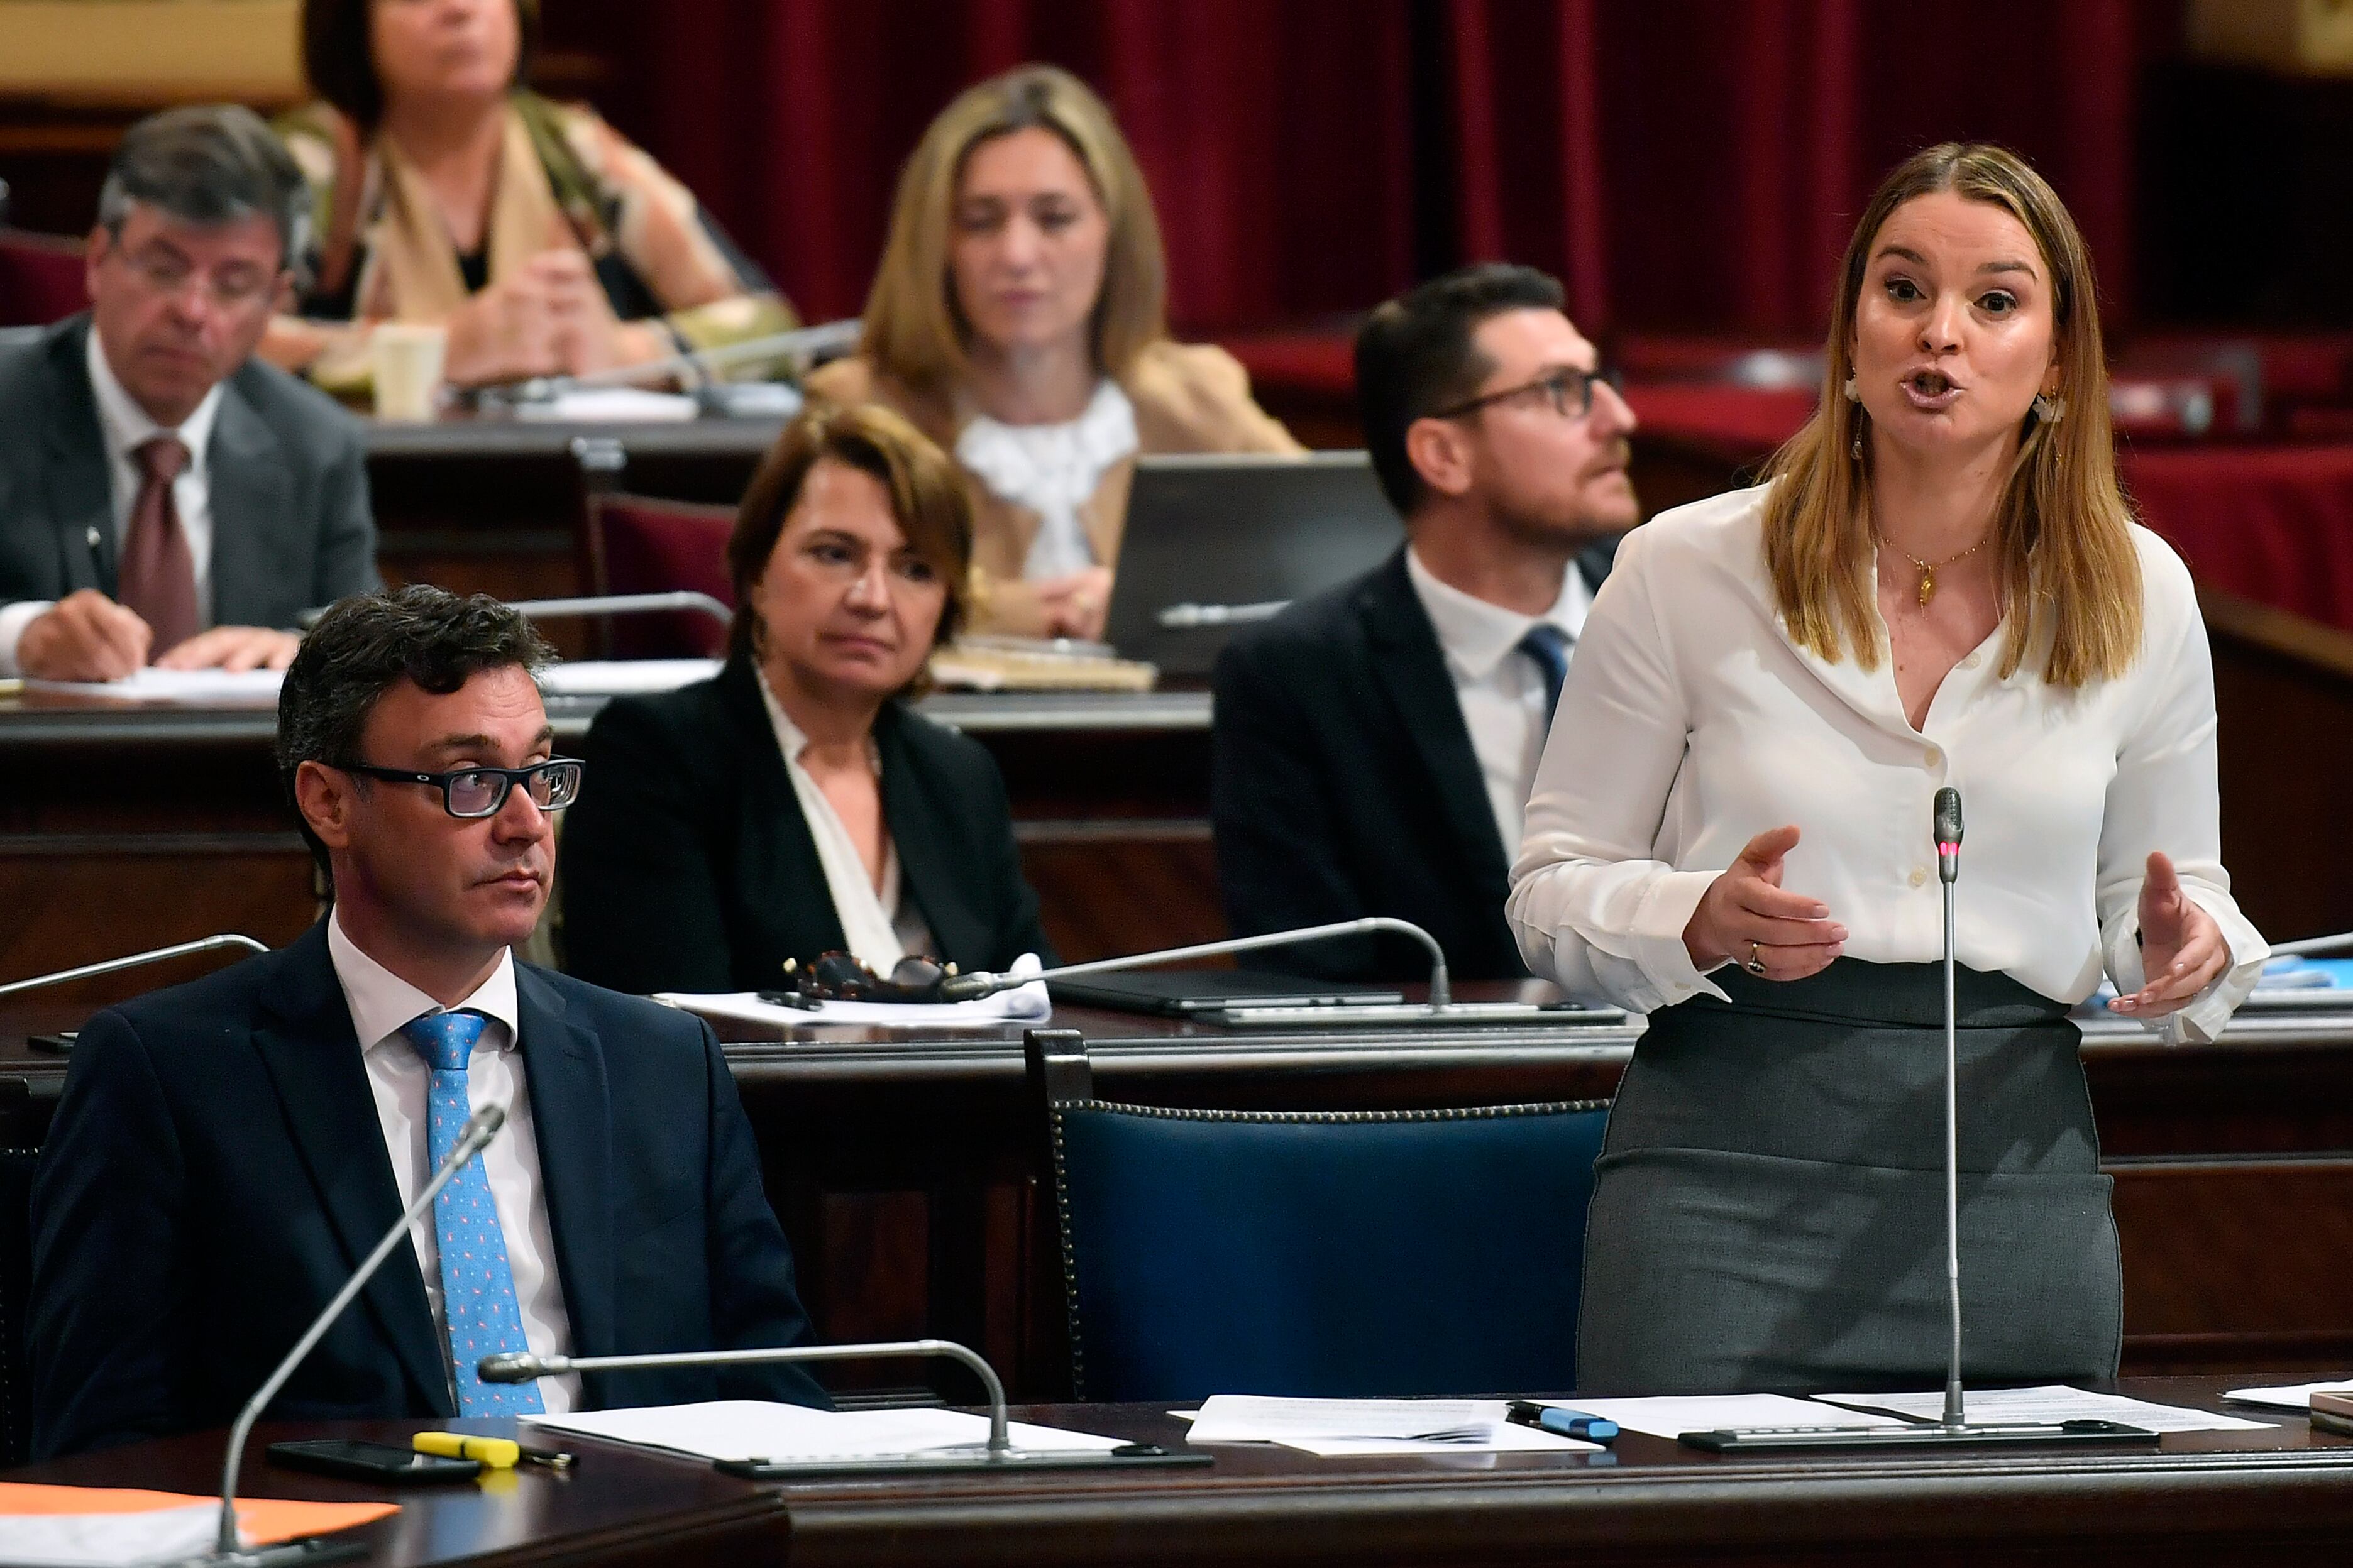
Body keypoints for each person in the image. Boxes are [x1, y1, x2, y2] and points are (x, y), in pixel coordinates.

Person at [1506, 143, 2270, 1395]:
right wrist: (1688, 915)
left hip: (2010, 1176)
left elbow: (2176, 897)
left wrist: (2183, 945)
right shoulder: (1682, 568)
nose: (1940, 334)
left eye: (1993, 301)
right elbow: (1546, 888)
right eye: (1902, 289)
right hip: (1721, 1170)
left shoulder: (2139, 589)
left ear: (2058, 363)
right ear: (1847, 333)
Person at [27, 586, 824, 1458]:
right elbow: (102, 1445)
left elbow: (776, 1402)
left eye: (543, 773)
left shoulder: (663, 1064)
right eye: (471, 780)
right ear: (329, 801)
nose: (526, 825)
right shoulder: (172, 1074)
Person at [1211, 265, 1635, 982]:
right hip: (1458, 1087)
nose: (1618, 418)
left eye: (1601, 382)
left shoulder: (1679, 607)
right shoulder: (1299, 676)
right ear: (1443, 454)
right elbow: (1312, 980)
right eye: (1561, 391)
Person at [559, 401, 1055, 995]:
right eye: (835, 554)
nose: (873, 598)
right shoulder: (658, 755)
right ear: (758, 574)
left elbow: (1036, 1000)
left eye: (914, 569)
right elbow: (666, 1026)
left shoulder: (958, 776)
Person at [805, 64, 1300, 641]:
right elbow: (809, 602)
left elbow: (1331, 564)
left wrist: (1149, 601)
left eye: (1055, 218)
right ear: (938, 246)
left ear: (1114, 237)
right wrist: (1013, 614)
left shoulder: (1196, 399)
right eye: (981, 222)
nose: (1017, 253)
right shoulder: (862, 413)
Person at [0, 106, 379, 683]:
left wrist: (300, 656)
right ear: (99, 261)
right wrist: (22, 639)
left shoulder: (317, 446)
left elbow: (368, 648)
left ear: (275, 301)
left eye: (233, 284)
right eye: (164, 269)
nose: (193, 312)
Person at [267, 0, 793, 395]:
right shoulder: (314, 164)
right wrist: (441, 349)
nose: (460, 10)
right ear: (354, 24)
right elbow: (232, 342)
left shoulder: (577, 151)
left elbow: (770, 328)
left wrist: (626, 352)